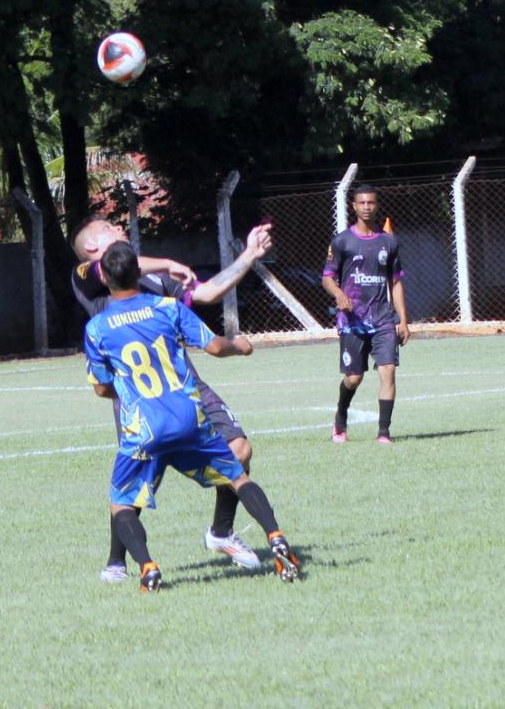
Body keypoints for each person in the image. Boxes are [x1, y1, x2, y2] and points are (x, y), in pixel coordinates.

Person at [84, 241, 300, 592]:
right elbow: (214, 346)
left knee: (121, 502)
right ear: (140, 272)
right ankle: (275, 535)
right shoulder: (168, 308)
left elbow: (101, 389)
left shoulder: (97, 327)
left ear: (105, 277)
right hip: (189, 418)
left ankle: (147, 566)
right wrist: (239, 346)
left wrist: (124, 390)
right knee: (238, 476)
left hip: (144, 427)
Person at [322, 184, 409, 444]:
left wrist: (402, 319)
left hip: (383, 319)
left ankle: (383, 433)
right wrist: (338, 294)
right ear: (354, 206)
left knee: (389, 370)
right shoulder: (342, 242)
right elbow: (327, 278)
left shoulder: (388, 241)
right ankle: (340, 418)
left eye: (371, 203)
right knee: (354, 378)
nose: (367, 207)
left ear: (377, 205)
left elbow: (396, 282)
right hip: (352, 322)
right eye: (362, 203)